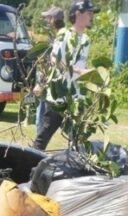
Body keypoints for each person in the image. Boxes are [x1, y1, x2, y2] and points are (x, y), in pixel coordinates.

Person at [33, 0, 97, 151]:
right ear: (78, 14)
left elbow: (80, 65)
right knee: (45, 134)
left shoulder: (86, 40)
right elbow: (54, 60)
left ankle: (75, 167)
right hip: (59, 95)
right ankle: (29, 166)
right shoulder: (64, 35)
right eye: (89, 13)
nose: (91, 16)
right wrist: (78, 71)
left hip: (76, 97)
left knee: (77, 137)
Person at [34, 6, 66, 130]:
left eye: (48, 17)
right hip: (52, 82)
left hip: (52, 85)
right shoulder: (57, 36)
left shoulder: (61, 38)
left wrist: (41, 83)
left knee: (41, 120)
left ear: (53, 19)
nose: (46, 20)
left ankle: (38, 148)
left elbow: (54, 63)